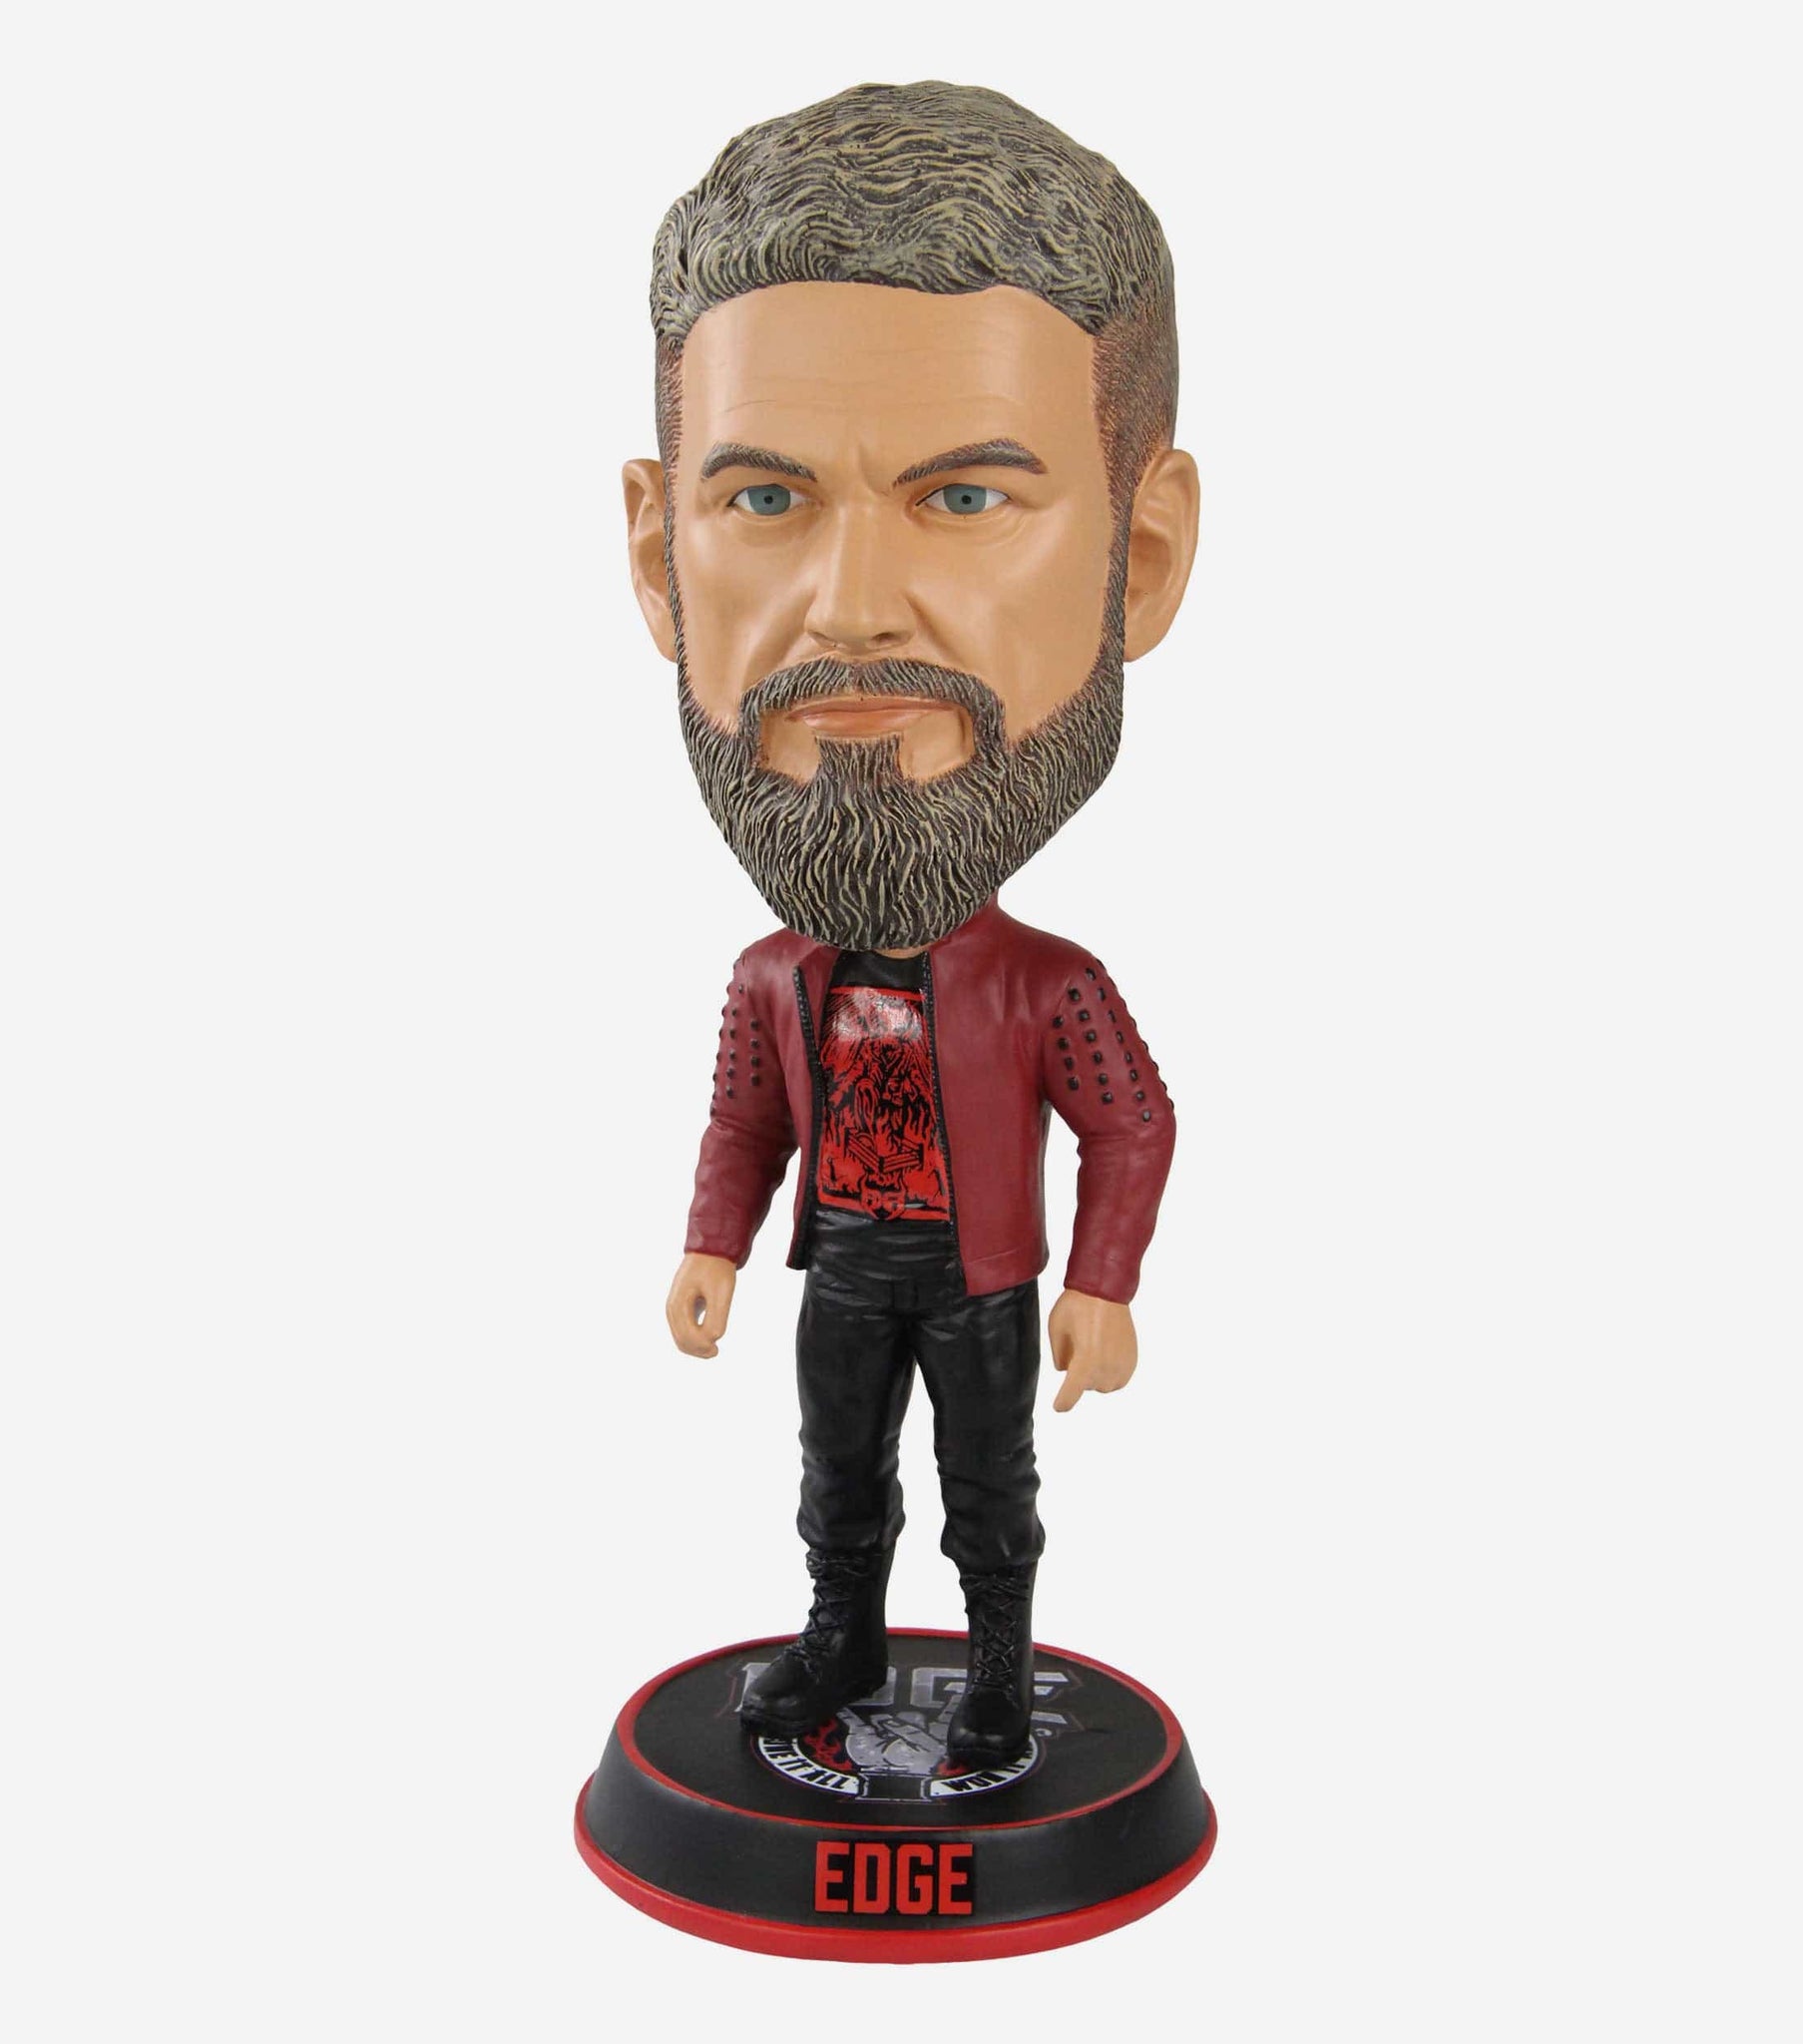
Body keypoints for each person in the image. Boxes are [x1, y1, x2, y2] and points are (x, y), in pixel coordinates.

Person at [622, 82, 1199, 1765]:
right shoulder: (772, 983)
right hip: (849, 1270)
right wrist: (714, 1247)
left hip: (981, 1279)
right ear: (658, 559)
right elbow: (745, 1125)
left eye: (962, 500)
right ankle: (840, 1636)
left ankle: (1000, 1666)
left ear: (1143, 558)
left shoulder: (1045, 987)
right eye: (766, 499)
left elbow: (1132, 1120)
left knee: (988, 1479)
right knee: (837, 1473)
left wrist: (1103, 1281)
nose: (854, 611)